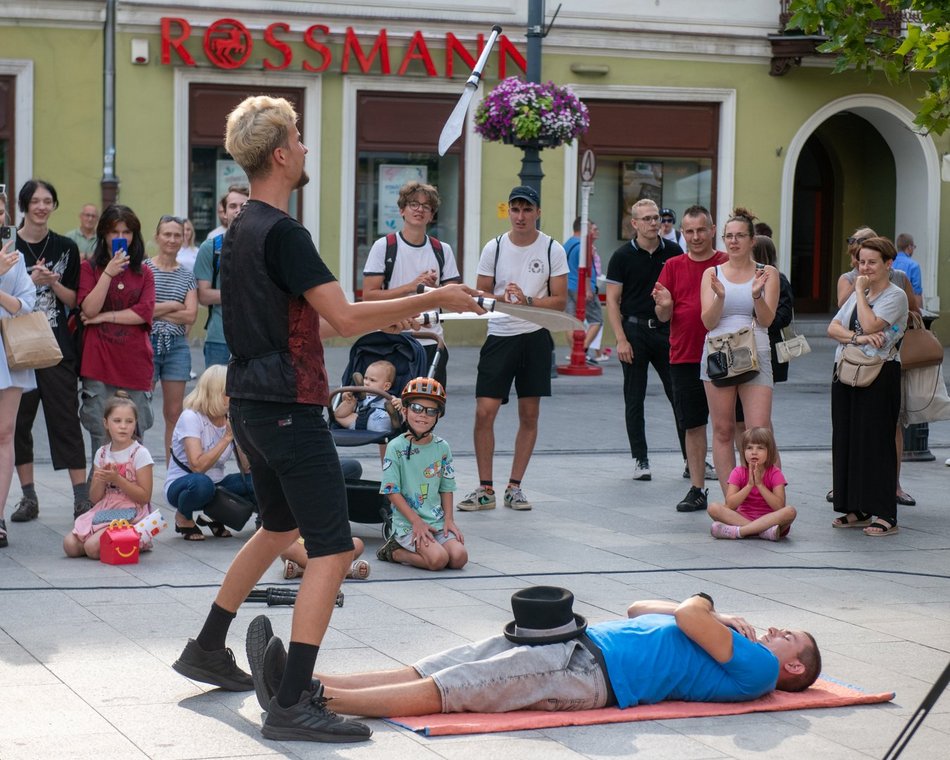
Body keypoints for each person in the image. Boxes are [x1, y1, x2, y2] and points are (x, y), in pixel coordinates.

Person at [170, 94, 482, 744]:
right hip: (288, 406)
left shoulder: (239, 232)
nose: (308, 148)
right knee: (335, 549)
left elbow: (315, 315)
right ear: (281, 154)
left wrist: (394, 313)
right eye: (302, 139)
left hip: (250, 399)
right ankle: (291, 702)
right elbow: (342, 317)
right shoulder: (285, 232)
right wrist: (438, 296)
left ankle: (206, 645)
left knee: (276, 526)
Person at [245, 589, 821, 721]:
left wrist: (710, 610)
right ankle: (301, 675)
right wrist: (698, 611)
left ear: (792, 666)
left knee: (459, 688)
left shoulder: (762, 669)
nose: (775, 631)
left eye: (788, 636)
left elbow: (692, 614)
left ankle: (311, 699)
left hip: (588, 673)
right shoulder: (744, 646)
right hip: (573, 643)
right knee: (443, 664)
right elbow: (643, 603)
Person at [457, 185, 568, 513]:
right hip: (500, 334)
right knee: (484, 411)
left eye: (527, 209)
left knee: (529, 413)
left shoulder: (552, 249)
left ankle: (515, 486)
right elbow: (480, 293)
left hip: (535, 336)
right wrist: (504, 299)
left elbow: (560, 301)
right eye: (515, 209)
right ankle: (485, 487)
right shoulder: (495, 246)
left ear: (537, 212)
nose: (520, 216)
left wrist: (530, 300)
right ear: (509, 212)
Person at [10, 180, 91, 524]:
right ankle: (28, 497)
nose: (41, 207)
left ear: (54, 206)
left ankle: (80, 499)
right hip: (15, 345)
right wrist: (30, 280)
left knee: (66, 422)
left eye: (48, 201)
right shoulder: (7, 244)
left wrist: (52, 283)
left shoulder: (66, 247)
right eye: (35, 201)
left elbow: (74, 301)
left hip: (57, 346)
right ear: (24, 205)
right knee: (17, 426)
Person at [828, 236, 908, 537]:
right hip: (847, 370)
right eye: (861, 261)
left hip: (879, 373)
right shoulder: (858, 292)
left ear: (889, 264)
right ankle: (856, 506)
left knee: (876, 442)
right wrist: (857, 338)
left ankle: (886, 512)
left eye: (872, 262)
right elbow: (832, 327)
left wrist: (861, 294)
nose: (865, 267)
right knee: (847, 438)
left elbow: (873, 323)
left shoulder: (895, 295)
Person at [699, 208, 779, 498]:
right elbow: (707, 322)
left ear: (752, 239)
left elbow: (767, 320)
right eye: (728, 236)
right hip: (719, 353)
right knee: (722, 429)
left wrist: (756, 294)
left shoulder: (766, 273)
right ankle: (732, 499)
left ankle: (764, 497)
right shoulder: (712, 273)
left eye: (739, 236)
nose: (733, 242)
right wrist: (720, 297)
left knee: (758, 432)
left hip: (756, 351)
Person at [605, 198, 685, 482]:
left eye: (657, 218)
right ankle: (640, 459)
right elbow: (612, 302)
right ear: (635, 223)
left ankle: (692, 459)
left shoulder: (674, 252)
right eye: (648, 219)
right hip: (634, 332)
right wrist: (620, 339)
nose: (655, 223)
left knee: (680, 396)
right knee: (634, 399)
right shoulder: (622, 256)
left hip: (666, 332)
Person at [652, 205, 724, 513]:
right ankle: (697, 488)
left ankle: (737, 488)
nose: (695, 237)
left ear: (711, 230)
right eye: (689, 231)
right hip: (684, 354)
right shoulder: (672, 265)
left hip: (724, 355)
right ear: (683, 232)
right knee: (693, 425)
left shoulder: (725, 263)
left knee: (728, 425)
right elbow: (663, 315)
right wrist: (665, 305)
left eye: (700, 230)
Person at [362, 181, 461, 387]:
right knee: (392, 408)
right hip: (393, 340)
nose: (420, 210)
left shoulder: (442, 249)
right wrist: (411, 286)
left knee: (426, 411)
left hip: (431, 342)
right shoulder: (385, 246)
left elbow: (455, 301)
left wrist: (435, 291)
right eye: (414, 204)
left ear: (431, 215)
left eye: (426, 207)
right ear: (402, 210)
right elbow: (369, 296)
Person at [78, 205, 156, 459]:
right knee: (101, 435)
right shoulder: (90, 269)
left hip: (134, 362)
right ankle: (98, 494)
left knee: (134, 431)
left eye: (127, 231)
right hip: (98, 361)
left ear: (135, 235)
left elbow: (143, 313)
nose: (121, 237)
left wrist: (104, 317)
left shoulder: (144, 272)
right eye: (114, 232)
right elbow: (89, 309)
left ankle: (133, 490)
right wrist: (109, 273)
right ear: (103, 234)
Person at [376, 377, 466, 571]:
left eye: (431, 411)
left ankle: (431, 545)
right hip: (408, 523)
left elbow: (447, 486)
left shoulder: (442, 447)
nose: (423, 415)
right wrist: (416, 522)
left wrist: (449, 520)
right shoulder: (395, 447)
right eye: (417, 408)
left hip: (436, 520)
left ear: (438, 416)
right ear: (405, 410)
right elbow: (391, 491)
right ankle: (394, 551)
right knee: (438, 560)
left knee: (459, 558)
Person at [165, 365, 255, 541]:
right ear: (216, 393)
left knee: (259, 481)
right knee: (202, 484)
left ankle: (215, 515)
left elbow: (246, 468)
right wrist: (227, 437)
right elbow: (197, 466)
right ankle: (183, 517)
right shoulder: (191, 417)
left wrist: (239, 434)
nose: (236, 397)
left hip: (216, 484)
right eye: (231, 392)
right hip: (185, 485)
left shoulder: (229, 417)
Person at [63, 393, 154, 559]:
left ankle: (135, 539)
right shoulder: (102, 452)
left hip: (131, 511)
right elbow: (95, 498)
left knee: (92, 548)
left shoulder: (140, 453)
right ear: (106, 423)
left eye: (129, 421)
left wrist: (117, 479)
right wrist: (100, 479)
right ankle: (114, 541)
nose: (123, 426)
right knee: (70, 546)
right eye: (117, 421)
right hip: (106, 509)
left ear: (135, 424)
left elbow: (144, 496)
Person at [0, 189, 37, 549]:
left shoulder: (13, 256)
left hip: (8, 351)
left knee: (5, 433)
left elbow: (27, 304)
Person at [145, 215, 197, 459]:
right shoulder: (145, 270)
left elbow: (190, 316)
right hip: (146, 345)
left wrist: (158, 310)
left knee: (174, 413)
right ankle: (135, 468)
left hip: (177, 347)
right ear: (157, 237)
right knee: (140, 412)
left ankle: (173, 472)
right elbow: (142, 311)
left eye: (177, 235)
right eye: (167, 234)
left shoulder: (187, 275)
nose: (172, 239)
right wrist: (174, 304)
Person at [194, 184, 249, 369]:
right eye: (233, 206)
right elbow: (203, 296)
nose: (238, 210)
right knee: (216, 397)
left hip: (257, 340)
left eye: (244, 206)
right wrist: (242, 292)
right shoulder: (210, 248)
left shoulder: (265, 247)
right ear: (224, 213)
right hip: (220, 338)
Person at [707, 427, 796, 540]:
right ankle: (763, 532)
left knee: (790, 511)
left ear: (770, 451)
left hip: (771, 520)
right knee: (713, 508)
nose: (754, 452)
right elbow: (730, 505)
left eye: (760, 448)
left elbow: (779, 506)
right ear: (743, 451)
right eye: (749, 448)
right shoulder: (738, 472)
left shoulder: (775, 473)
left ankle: (740, 531)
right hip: (743, 518)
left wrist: (760, 485)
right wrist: (749, 485)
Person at [564, 217, 606, 362]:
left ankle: (574, 353)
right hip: (581, 288)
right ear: (582, 228)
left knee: (570, 321)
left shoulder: (567, 244)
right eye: (589, 228)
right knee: (596, 320)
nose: (591, 231)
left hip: (567, 286)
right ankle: (582, 351)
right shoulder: (583, 245)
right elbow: (586, 269)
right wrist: (588, 288)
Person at [332, 359, 400, 432]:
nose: (366, 382)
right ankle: (351, 400)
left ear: (386, 386)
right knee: (338, 416)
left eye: (372, 380)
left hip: (380, 420)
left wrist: (399, 402)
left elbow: (397, 403)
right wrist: (347, 400)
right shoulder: (358, 397)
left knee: (396, 407)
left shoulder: (388, 397)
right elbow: (351, 411)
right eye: (365, 378)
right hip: (359, 420)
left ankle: (394, 418)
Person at [893, 233, 923, 312]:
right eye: (913, 247)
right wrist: (919, 315)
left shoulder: (889, 262)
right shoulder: (914, 265)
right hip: (906, 309)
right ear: (909, 247)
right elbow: (917, 293)